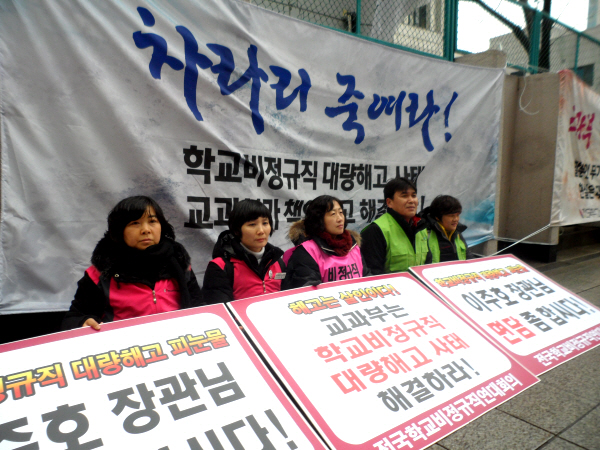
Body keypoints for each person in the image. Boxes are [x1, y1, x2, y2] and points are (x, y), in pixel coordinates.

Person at [62, 196, 203, 330]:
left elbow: (200, 309)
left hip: (176, 342)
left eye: (152, 221)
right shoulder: (100, 274)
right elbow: (73, 318)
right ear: (119, 230)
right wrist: (82, 322)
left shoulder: (180, 264)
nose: (146, 230)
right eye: (135, 223)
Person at [202, 199, 285, 303]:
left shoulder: (277, 261)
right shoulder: (221, 267)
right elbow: (220, 309)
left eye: (265, 223)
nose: (261, 231)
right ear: (237, 230)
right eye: (252, 224)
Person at [282, 195, 370, 290]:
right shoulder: (307, 252)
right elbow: (307, 290)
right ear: (319, 219)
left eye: (341, 212)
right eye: (333, 214)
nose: (340, 219)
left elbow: (367, 278)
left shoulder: (352, 244)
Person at [361, 177, 428, 274]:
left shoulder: (421, 226)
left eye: (414, 196)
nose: (411, 200)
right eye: (404, 196)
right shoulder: (376, 230)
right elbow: (372, 274)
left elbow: (428, 265)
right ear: (389, 202)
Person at [420, 195, 473, 263]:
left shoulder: (458, 233)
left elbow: (469, 259)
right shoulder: (425, 234)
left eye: (457, 215)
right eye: (451, 216)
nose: (455, 219)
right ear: (437, 217)